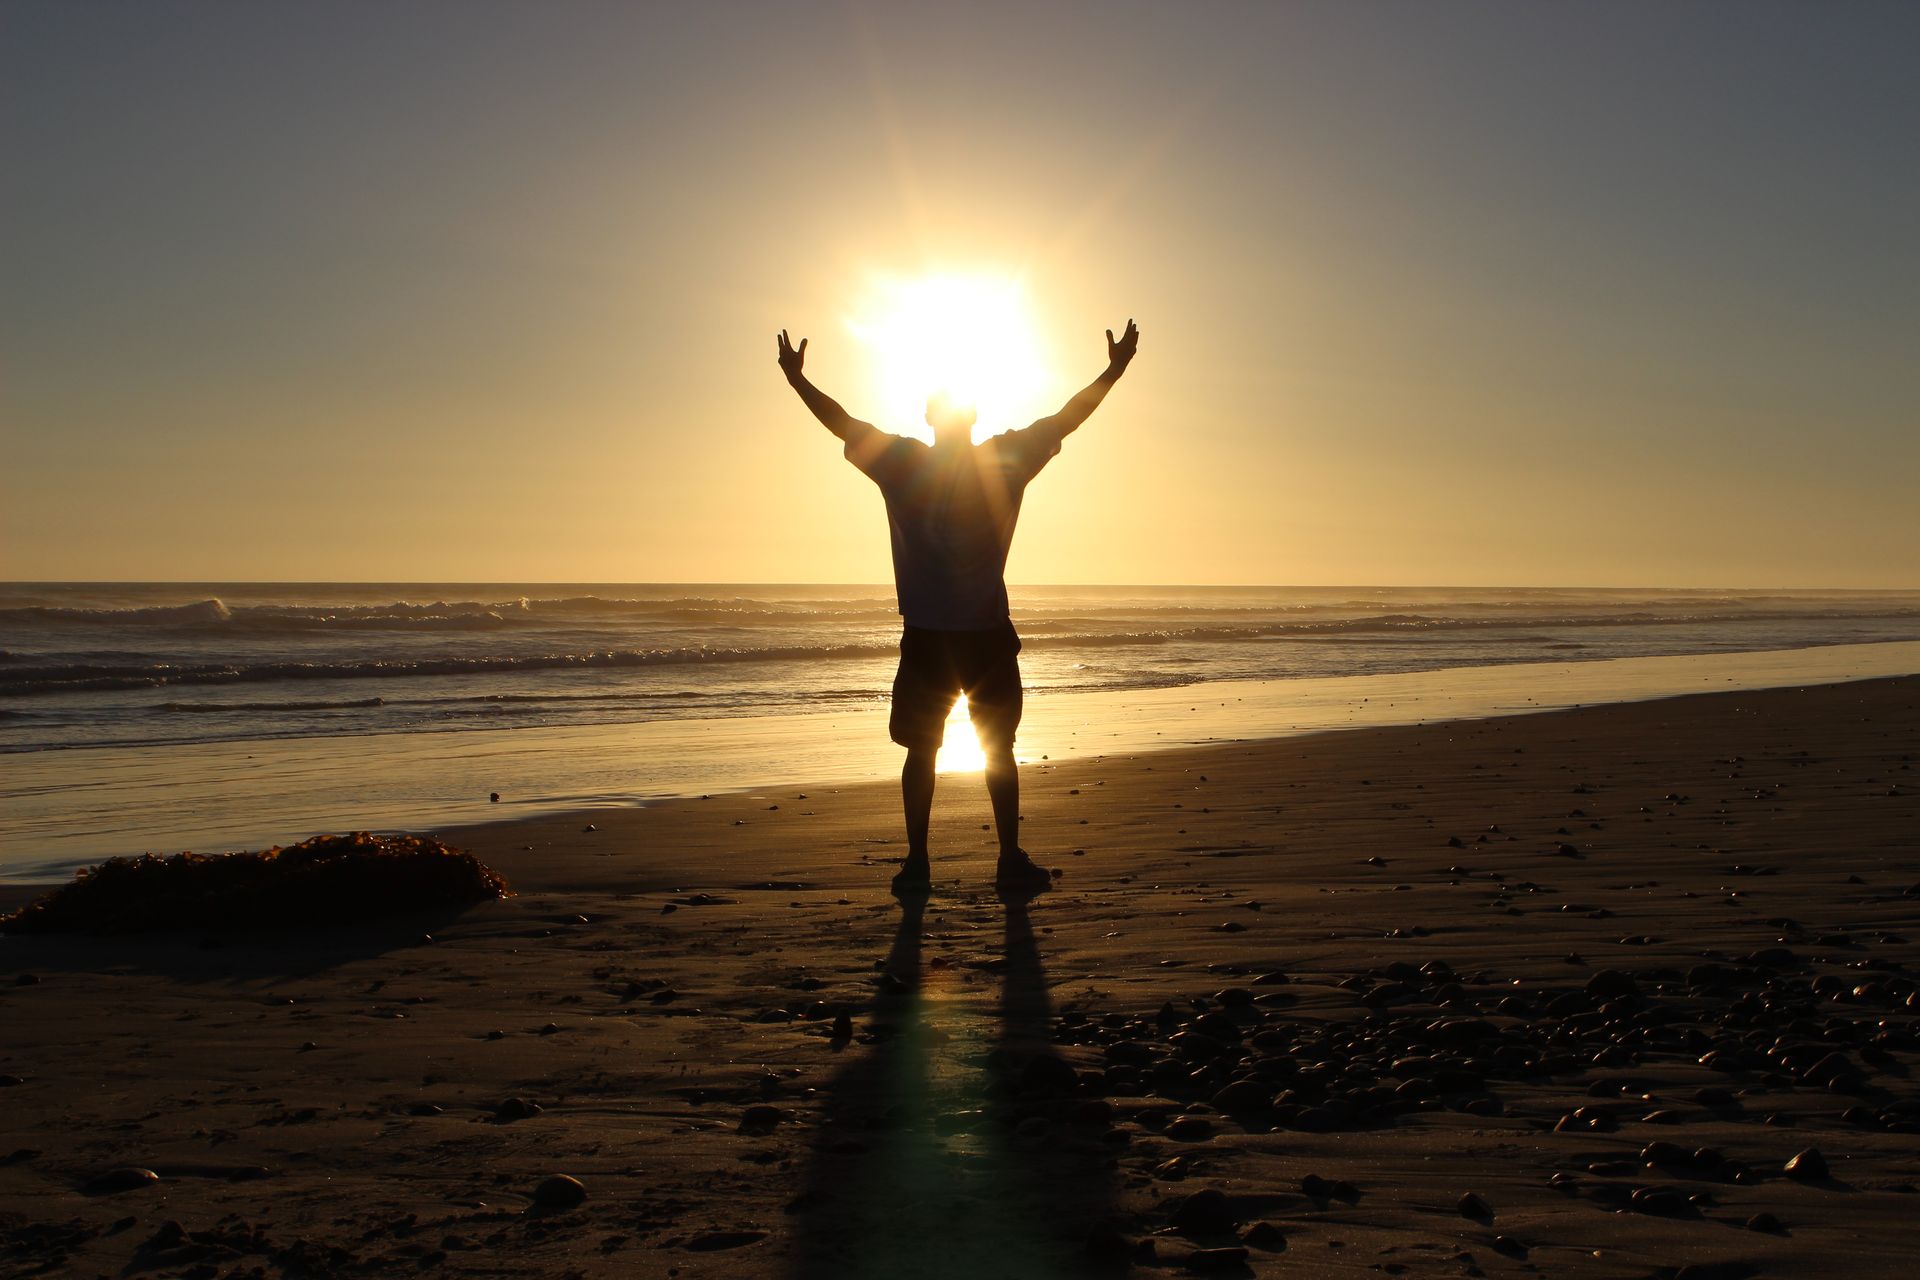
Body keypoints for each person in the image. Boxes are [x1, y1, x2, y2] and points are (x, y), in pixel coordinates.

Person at [776, 319, 1140, 896]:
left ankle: (922, 863)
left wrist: (798, 381)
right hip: (982, 636)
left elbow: (842, 423)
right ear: (971, 418)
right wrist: (1114, 371)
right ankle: (1001, 859)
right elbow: (1067, 417)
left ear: (930, 418)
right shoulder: (1005, 458)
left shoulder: (903, 462)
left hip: (933, 636)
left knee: (928, 751)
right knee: (994, 749)